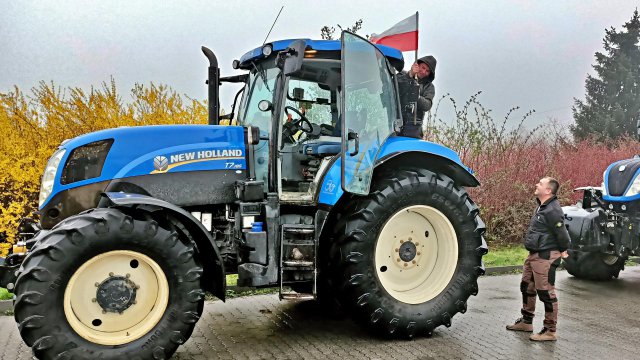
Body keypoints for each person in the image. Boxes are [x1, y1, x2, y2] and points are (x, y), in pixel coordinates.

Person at [506, 177, 571, 341]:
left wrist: (563, 251)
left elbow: (562, 234)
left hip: (546, 256)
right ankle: (527, 322)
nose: (536, 184)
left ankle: (550, 331)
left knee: (546, 292)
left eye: (541, 184)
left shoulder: (553, 210)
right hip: (533, 255)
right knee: (527, 286)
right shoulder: (542, 207)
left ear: (548, 190)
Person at [397, 55, 436, 138]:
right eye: (423, 67)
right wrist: (409, 75)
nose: (424, 71)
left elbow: (427, 105)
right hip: (395, 124)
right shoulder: (403, 75)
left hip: (413, 129)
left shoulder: (429, 87)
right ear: (417, 65)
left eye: (427, 71)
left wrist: (417, 96)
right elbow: (395, 85)